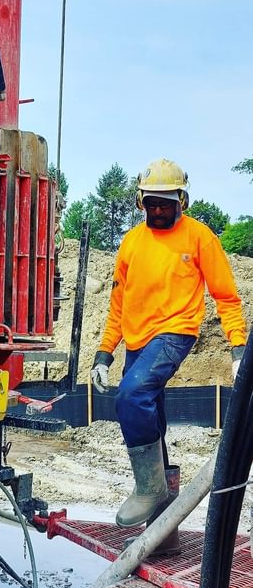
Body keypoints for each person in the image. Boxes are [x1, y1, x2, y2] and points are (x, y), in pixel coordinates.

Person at [91, 158, 247, 530]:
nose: (158, 210)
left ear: (183, 201)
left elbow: (226, 297)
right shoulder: (131, 243)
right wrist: (104, 353)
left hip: (176, 333)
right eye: (151, 203)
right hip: (137, 340)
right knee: (152, 419)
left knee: (131, 396)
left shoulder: (199, 237)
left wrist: (238, 348)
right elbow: (118, 304)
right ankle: (162, 528)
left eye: (166, 203)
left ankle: (148, 488)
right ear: (140, 202)